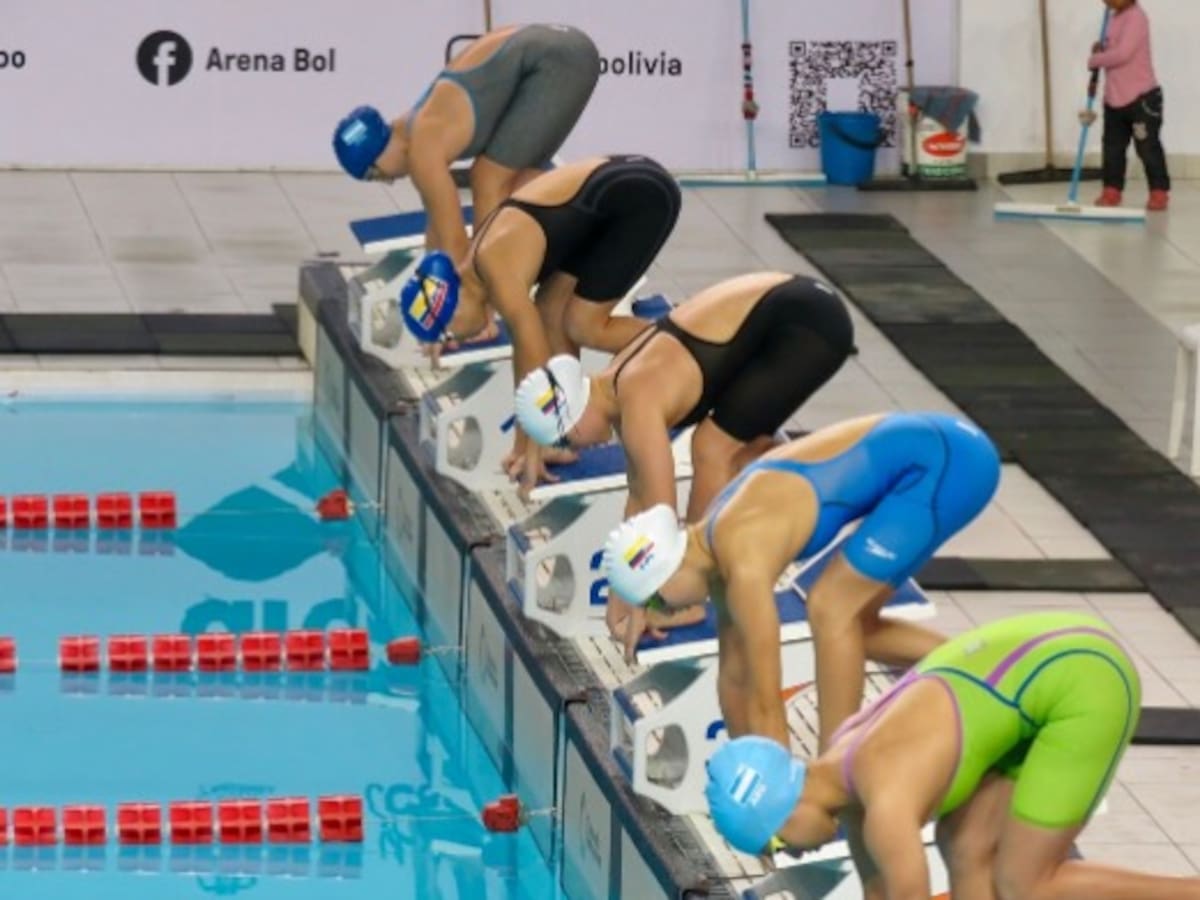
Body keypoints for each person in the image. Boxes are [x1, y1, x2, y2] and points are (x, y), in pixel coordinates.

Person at [704, 612, 1200, 900]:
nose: (789, 855)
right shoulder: (843, 781)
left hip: (1084, 679)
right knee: (963, 849)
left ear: (788, 805)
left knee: (1025, 884)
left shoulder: (885, 802)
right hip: (1036, 667)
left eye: (775, 842)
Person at [602, 412, 1001, 750]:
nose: (663, 612)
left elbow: (765, 699)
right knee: (853, 626)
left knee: (831, 609)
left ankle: (837, 768)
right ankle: (991, 667)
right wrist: (745, 762)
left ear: (667, 570)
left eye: (655, 602)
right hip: (932, 453)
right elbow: (735, 679)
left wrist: (781, 798)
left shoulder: (742, 560)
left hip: (948, 464)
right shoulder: (712, 547)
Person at [513, 272, 853, 640]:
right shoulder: (615, 378)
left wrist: (651, 598)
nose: (576, 449)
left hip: (807, 324)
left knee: (712, 449)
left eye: (565, 441)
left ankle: (693, 599)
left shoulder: (637, 401)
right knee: (728, 453)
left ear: (574, 420)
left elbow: (659, 522)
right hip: (796, 306)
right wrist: (621, 588)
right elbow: (638, 493)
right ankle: (785, 512)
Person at [397, 155, 682, 491]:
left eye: (447, 331)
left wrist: (529, 440)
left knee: (585, 326)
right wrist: (537, 438)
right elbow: (539, 341)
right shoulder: (478, 267)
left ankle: (690, 343)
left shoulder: (493, 266)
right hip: (608, 199)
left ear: (455, 303)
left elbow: (530, 354)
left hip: (638, 196)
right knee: (551, 313)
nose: (454, 340)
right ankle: (562, 429)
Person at [332, 24, 602, 262]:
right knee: (517, 182)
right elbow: (438, 223)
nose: (389, 181)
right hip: (564, 50)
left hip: (559, 61)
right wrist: (428, 276)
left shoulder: (421, 148)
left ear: (377, 155)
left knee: (488, 179)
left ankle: (494, 291)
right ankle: (603, 218)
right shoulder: (416, 126)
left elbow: (455, 243)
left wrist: (463, 299)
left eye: (375, 176)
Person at [1081, 0, 1170, 212]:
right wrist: (1101, 49)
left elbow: (1123, 54)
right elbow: (1112, 50)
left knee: (1147, 147)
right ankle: (1112, 189)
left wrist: (1096, 59)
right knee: (1112, 148)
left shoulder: (1137, 17)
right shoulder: (1113, 18)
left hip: (1142, 99)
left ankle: (1159, 190)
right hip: (1114, 98)